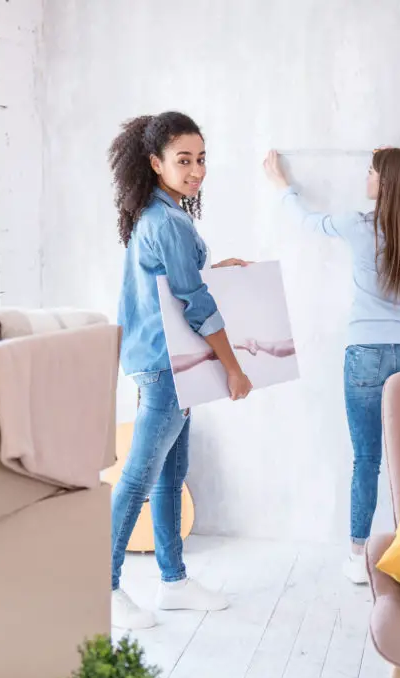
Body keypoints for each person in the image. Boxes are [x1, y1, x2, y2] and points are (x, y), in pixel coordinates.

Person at [262, 146, 400, 584]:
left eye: (372, 172)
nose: (366, 177)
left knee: (366, 458)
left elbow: (307, 221)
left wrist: (281, 186)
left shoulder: (357, 225)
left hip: (365, 354)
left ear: (384, 183)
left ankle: (357, 557)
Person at [109, 111, 253, 630]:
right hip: (166, 367)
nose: (196, 170)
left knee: (171, 475)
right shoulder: (167, 221)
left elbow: (172, 286)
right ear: (156, 163)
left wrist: (217, 270)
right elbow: (192, 301)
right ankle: (100, 587)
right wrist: (233, 368)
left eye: (200, 159)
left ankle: (173, 583)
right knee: (140, 477)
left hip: (165, 362)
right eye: (183, 160)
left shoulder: (159, 214)